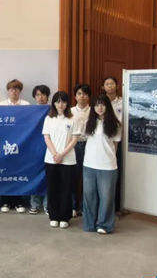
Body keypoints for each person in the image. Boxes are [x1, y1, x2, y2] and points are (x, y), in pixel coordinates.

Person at [80, 94, 122, 234]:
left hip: (107, 165)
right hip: (89, 164)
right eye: (97, 105)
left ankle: (104, 225)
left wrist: (110, 158)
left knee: (107, 197)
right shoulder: (89, 122)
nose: (100, 108)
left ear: (107, 106)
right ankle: (89, 224)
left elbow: (115, 144)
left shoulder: (115, 124)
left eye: (102, 104)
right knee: (89, 195)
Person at [42, 91, 80, 229]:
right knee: (52, 188)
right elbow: (47, 137)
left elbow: (74, 139)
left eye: (63, 101)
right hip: (51, 159)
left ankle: (65, 217)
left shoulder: (73, 119)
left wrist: (62, 154)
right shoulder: (49, 119)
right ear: (53, 103)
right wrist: (55, 154)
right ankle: (53, 216)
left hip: (68, 160)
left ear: (67, 103)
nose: (60, 104)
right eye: (57, 101)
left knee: (66, 189)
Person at [0, 79, 29, 213]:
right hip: (5, 143)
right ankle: (5, 201)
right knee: (5, 172)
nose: (14, 91)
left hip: (21, 142)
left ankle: (19, 201)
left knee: (19, 173)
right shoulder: (1, 105)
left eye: (16, 89)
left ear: (20, 91)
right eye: (11, 89)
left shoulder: (26, 105)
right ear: (8, 91)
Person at [102, 76, 124, 216]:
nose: (109, 86)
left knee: (117, 174)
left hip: (119, 141)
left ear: (117, 86)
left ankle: (116, 208)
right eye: (107, 84)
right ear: (103, 87)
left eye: (112, 83)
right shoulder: (100, 103)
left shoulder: (123, 102)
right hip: (103, 142)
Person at [70, 83, 92, 217]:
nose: (82, 96)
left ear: (88, 96)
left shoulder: (94, 111)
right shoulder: (70, 111)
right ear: (75, 96)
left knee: (87, 178)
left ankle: (85, 207)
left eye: (84, 94)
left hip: (90, 146)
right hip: (74, 146)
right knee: (73, 177)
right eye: (79, 93)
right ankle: (73, 206)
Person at [29, 84, 51, 214]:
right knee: (35, 175)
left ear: (47, 96)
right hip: (34, 148)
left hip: (50, 147)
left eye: (43, 94)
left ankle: (47, 204)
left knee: (49, 175)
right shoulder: (30, 111)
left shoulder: (53, 110)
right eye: (37, 95)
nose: (40, 97)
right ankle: (35, 203)